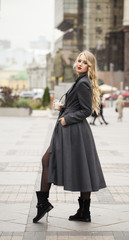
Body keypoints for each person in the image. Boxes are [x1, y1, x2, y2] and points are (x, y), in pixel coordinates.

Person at [33, 50, 107, 224]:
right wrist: (62, 108)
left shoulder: (83, 83)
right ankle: (83, 211)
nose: (80, 64)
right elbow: (77, 106)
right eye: (79, 60)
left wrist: (66, 118)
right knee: (81, 166)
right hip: (73, 130)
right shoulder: (81, 80)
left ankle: (44, 204)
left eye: (84, 62)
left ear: (90, 66)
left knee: (47, 160)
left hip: (72, 130)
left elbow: (86, 110)